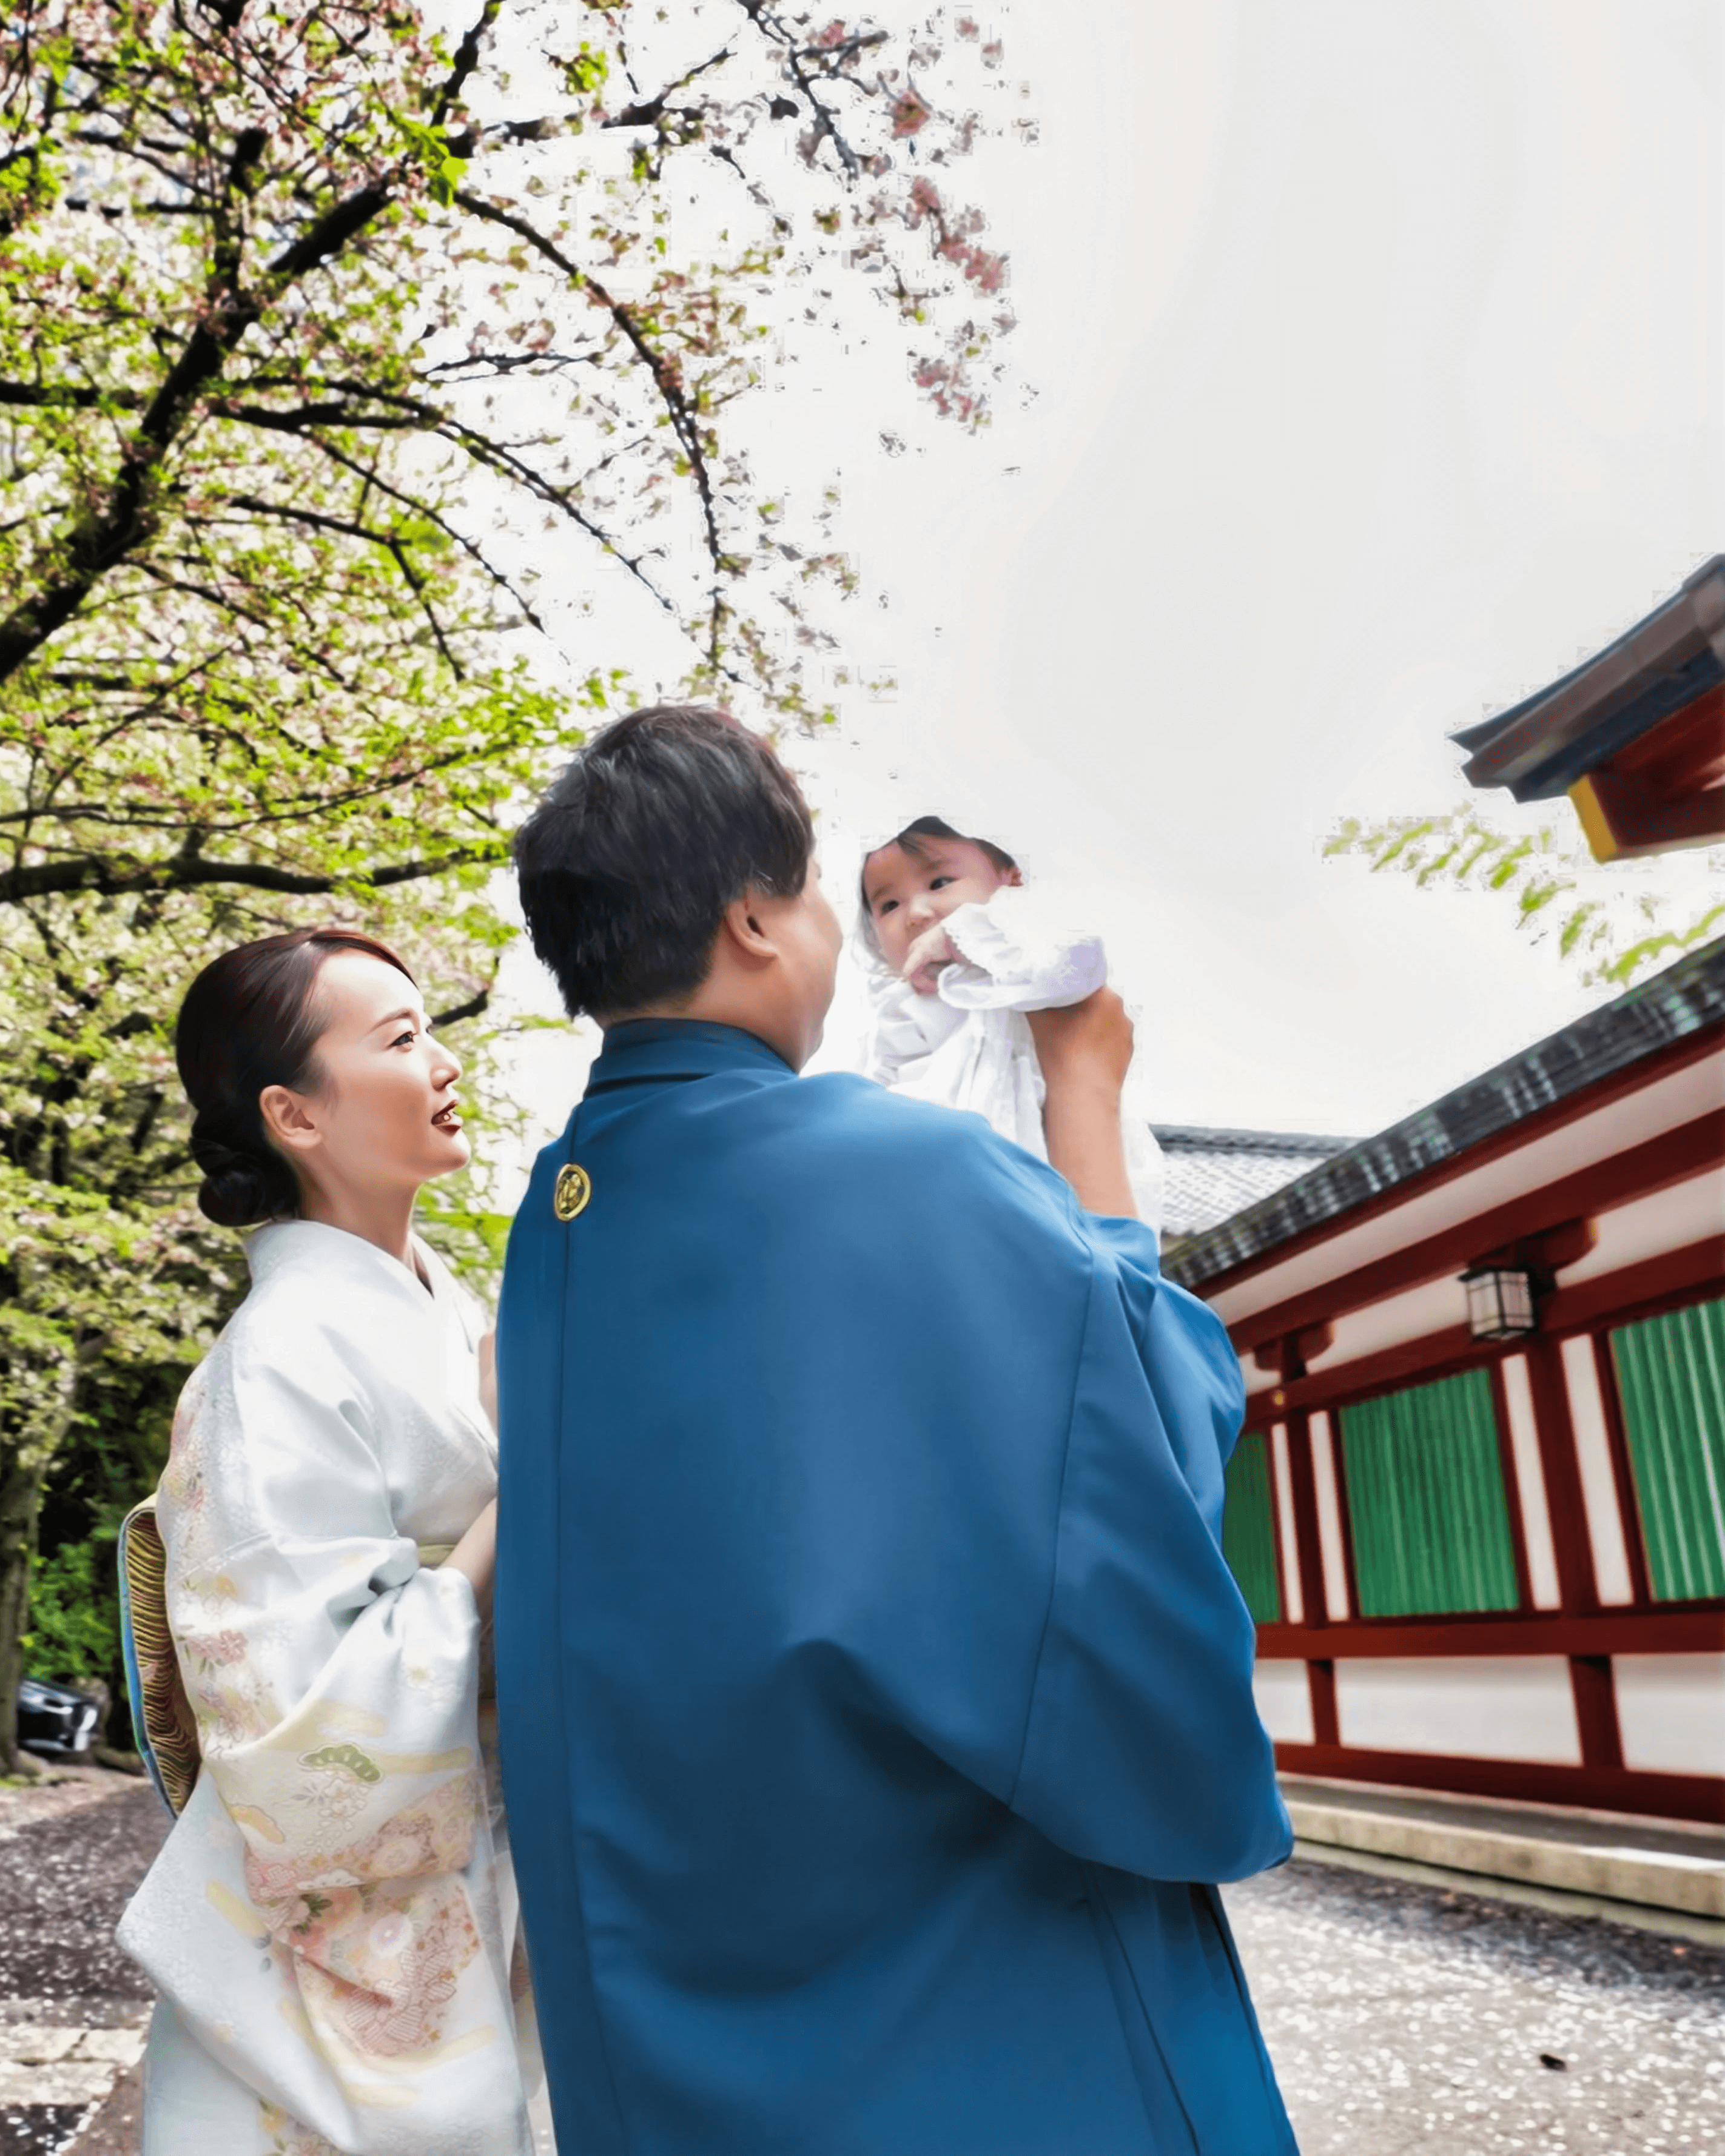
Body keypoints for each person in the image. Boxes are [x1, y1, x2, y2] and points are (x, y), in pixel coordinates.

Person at [495, 706, 1297, 2156]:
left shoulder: (560, 1214)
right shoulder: (905, 1167)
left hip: (678, 1987)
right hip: (961, 1973)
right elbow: (1130, 1489)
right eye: (820, 891)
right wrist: (1085, 1098)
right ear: (751, 917)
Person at [117, 927, 540, 2156]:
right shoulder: (279, 1354)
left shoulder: (437, 1301)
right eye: (403, 1039)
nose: (445, 1062)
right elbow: (306, 1729)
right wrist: (530, 1476)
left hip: (487, 1866)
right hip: (356, 1916)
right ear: (293, 1115)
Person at [858, 813, 1167, 1234]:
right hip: (950, 1190)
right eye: (888, 905)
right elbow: (880, 1089)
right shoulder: (899, 1006)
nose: (915, 912)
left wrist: (964, 937)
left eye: (939, 883)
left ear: (1009, 879)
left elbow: (1077, 964)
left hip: (1053, 1163)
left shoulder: (1018, 952)